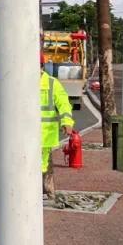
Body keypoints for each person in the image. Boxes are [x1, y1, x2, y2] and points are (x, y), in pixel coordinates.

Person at [41, 52, 74, 200]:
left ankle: (45, 192)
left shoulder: (52, 83)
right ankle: (45, 191)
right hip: (25, 135)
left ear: (41, 67)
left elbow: (64, 104)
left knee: (42, 165)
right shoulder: (21, 83)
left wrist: (67, 122)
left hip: (45, 135)